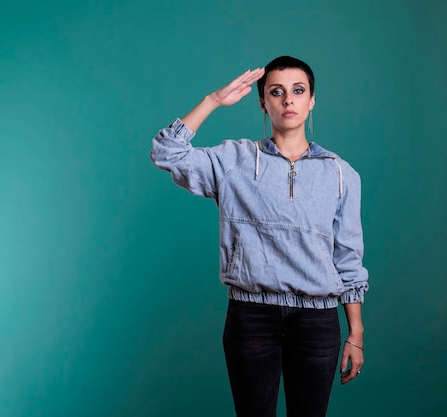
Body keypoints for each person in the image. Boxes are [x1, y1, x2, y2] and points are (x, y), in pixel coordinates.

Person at [149, 56, 368, 417]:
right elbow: (165, 152)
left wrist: (355, 333)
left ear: (312, 100)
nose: (288, 101)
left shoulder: (341, 174)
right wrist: (212, 101)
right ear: (263, 102)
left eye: (298, 91)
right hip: (251, 317)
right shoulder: (233, 159)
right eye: (276, 92)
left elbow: (348, 258)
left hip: (316, 322)